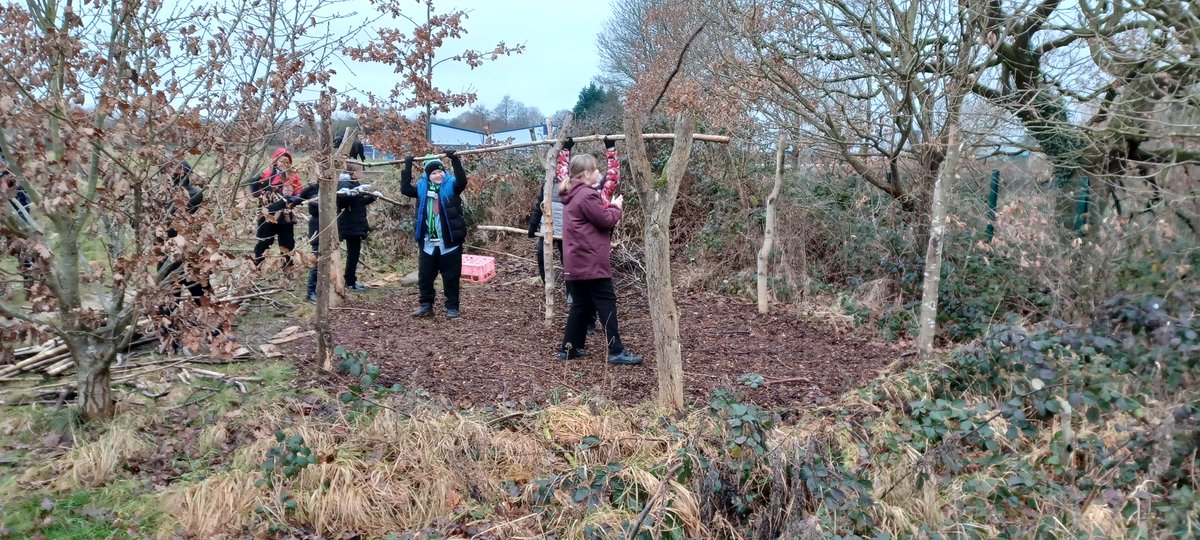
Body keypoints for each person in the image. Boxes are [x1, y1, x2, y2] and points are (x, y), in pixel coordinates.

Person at [557, 150, 643, 365]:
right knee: (606, 303)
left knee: (582, 304)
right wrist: (616, 207)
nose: (599, 173)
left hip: (577, 260)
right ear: (586, 174)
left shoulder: (572, 195)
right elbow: (605, 220)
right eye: (596, 169)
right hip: (590, 261)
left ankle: (569, 348)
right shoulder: (586, 195)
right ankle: (616, 351)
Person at [400, 150, 468, 318]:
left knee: (451, 276)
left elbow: (462, 181)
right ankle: (426, 305)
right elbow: (405, 189)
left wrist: (455, 159)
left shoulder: (451, 185)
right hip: (428, 241)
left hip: (449, 241)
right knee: (425, 276)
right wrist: (407, 165)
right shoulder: (422, 188)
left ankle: (452, 307)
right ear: (428, 175)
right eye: (434, 173)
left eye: (440, 171)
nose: (438, 175)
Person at [301, 163, 377, 302]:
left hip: (335, 224)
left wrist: (369, 196)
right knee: (320, 257)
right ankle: (312, 290)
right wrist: (345, 195)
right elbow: (317, 204)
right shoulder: (317, 189)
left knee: (331, 256)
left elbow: (352, 202)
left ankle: (341, 283)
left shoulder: (337, 186)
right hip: (322, 226)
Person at [250, 147, 304, 269]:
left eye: (287, 161)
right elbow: (255, 192)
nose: (284, 164)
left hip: (285, 216)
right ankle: (256, 269)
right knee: (264, 243)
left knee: (287, 243)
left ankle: (287, 270)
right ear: (275, 161)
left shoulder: (293, 176)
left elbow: (299, 193)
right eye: (281, 160)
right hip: (267, 215)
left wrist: (294, 199)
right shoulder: (266, 174)